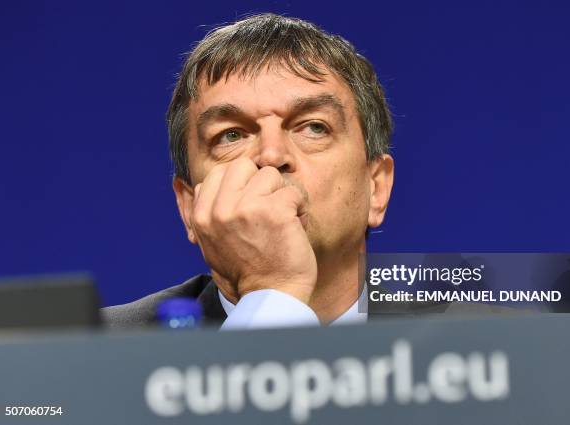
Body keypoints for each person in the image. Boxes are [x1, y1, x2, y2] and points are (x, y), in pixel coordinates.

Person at [103, 13, 395, 330]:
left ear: (375, 187)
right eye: (231, 135)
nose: (271, 156)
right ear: (189, 207)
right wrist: (272, 292)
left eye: (313, 127)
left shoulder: (454, 329)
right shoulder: (95, 350)